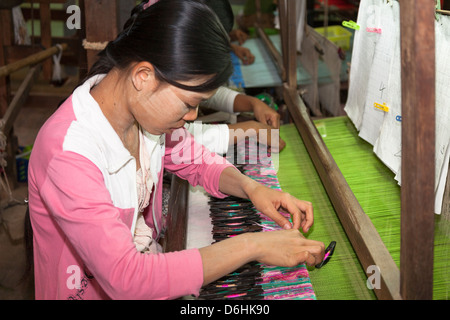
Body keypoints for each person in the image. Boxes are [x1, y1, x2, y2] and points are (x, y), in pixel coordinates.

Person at [28, 0, 324, 300]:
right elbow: (126, 278)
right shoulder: (68, 154)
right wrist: (254, 246)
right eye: (188, 104)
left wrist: (253, 189)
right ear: (143, 77)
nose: (193, 116)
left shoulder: (140, 116)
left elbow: (197, 162)